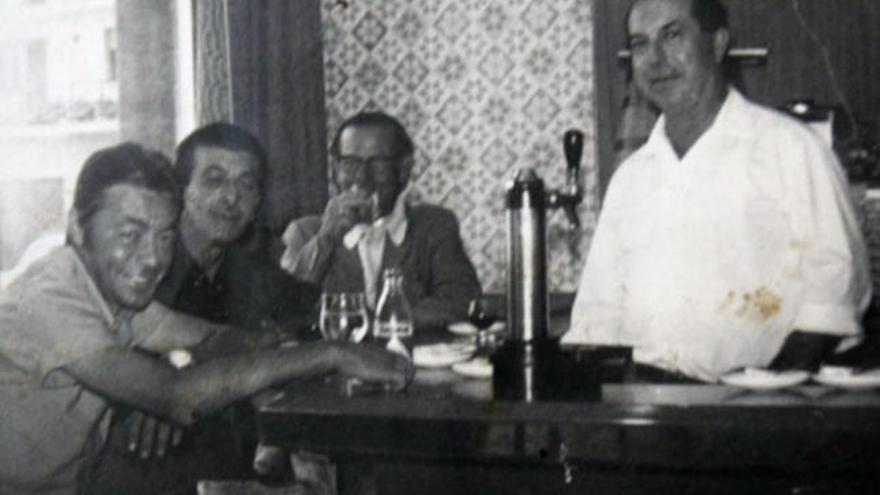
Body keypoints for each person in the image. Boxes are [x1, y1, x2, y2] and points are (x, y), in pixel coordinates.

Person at [0, 143, 410, 495]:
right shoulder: (50, 295)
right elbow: (178, 397)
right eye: (130, 234)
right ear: (77, 226)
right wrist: (329, 353)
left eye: (164, 237)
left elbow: (219, 338)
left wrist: (202, 356)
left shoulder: (113, 293)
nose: (153, 258)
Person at [563, 0, 871, 382]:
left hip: (756, 412)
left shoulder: (789, 147)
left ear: (717, 44)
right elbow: (597, 317)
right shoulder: (631, 178)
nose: (655, 59)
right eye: (640, 44)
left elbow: (832, 293)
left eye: (672, 35)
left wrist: (766, 391)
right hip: (644, 408)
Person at [280, 112, 480, 331]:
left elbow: (460, 301)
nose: (362, 177)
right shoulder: (304, 233)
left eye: (378, 165)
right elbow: (285, 312)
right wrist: (326, 238)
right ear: (335, 171)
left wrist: (371, 324)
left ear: (403, 170)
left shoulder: (434, 226)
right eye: (350, 164)